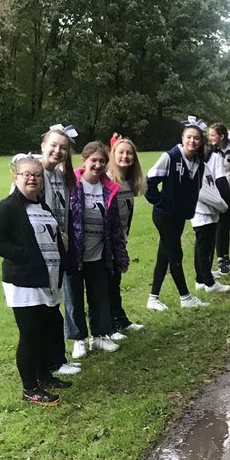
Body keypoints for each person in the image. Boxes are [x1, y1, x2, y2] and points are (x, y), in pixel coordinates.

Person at [0, 155, 69, 406]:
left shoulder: (42, 207)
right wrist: (28, 256)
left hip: (48, 279)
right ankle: (29, 388)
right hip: (24, 282)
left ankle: (44, 376)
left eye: (36, 175)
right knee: (30, 334)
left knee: (45, 331)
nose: (32, 178)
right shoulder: (7, 208)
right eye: (26, 174)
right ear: (16, 177)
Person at [66, 141, 129, 357]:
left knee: (99, 295)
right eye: (94, 160)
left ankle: (100, 336)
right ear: (84, 161)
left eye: (102, 161)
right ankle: (78, 339)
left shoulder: (109, 188)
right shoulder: (71, 184)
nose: (98, 164)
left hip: (99, 252)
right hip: (74, 254)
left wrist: (120, 255)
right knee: (73, 298)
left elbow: (115, 226)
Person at [146, 118, 208, 310]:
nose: (193, 141)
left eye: (196, 138)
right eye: (189, 137)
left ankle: (153, 298)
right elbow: (150, 182)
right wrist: (163, 203)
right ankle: (185, 297)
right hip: (165, 215)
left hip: (180, 215)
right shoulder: (171, 157)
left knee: (164, 254)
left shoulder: (199, 163)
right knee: (175, 254)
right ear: (183, 138)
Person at [38, 126, 80, 377]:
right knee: (46, 307)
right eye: (53, 145)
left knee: (55, 304)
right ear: (43, 145)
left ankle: (57, 358)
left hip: (58, 250)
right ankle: (50, 361)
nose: (58, 150)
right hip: (42, 252)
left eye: (63, 147)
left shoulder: (60, 176)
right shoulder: (34, 173)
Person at [106, 137, 145, 338]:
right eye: (120, 152)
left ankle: (119, 319)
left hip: (120, 241)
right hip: (105, 244)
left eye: (129, 153)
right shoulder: (107, 180)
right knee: (107, 283)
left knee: (115, 281)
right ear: (113, 155)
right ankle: (109, 325)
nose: (125, 156)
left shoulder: (129, 183)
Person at [192, 134, 230, 294]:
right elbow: (205, 193)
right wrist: (223, 206)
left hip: (208, 213)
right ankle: (208, 282)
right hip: (203, 214)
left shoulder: (202, 165)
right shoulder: (196, 168)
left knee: (203, 247)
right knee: (205, 248)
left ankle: (201, 278)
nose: (207, 149)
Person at [207, 122, 230, 276]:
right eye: (209, 135)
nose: (210, 138)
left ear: (221, 136)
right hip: (215, 194)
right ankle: (220, 259)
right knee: (218, 227)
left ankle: (226, 257)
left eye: (213, 135)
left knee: (226, 226)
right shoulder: (209, 152)